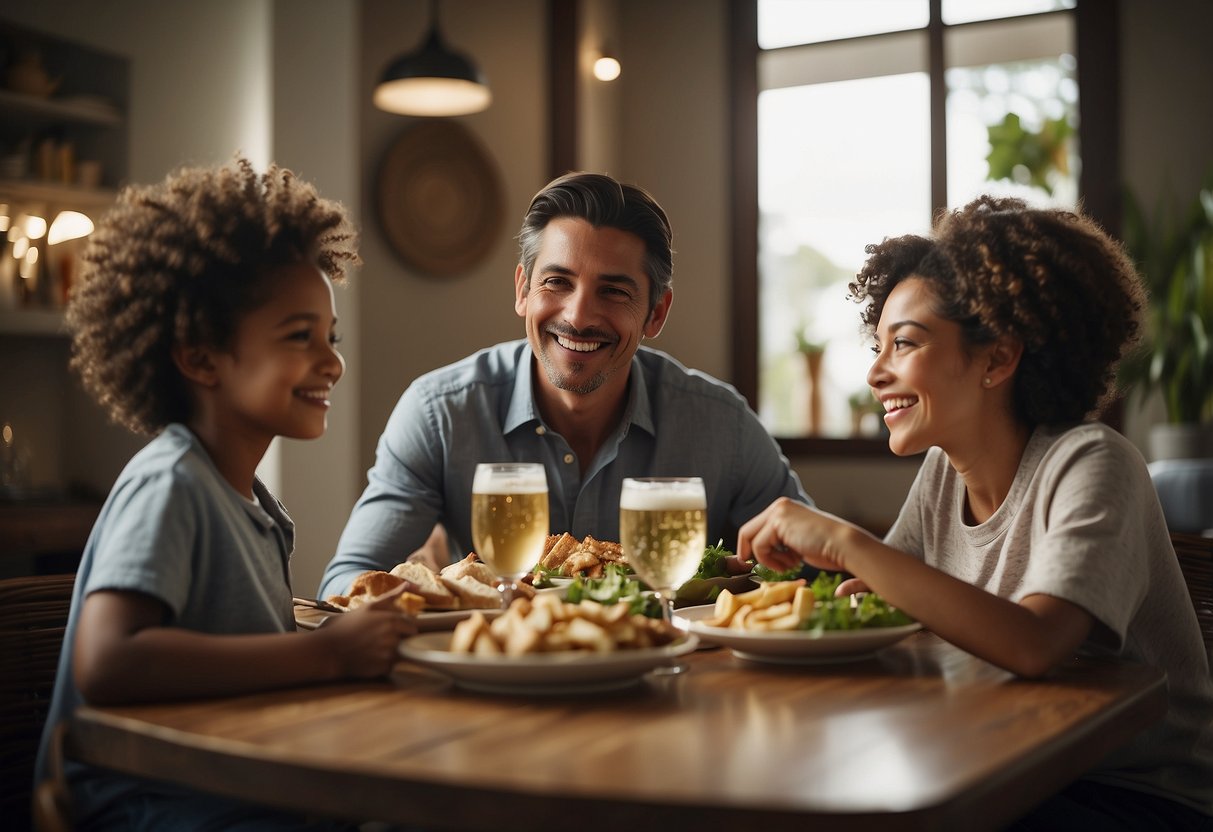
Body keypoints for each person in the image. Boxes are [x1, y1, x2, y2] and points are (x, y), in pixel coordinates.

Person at [738, 195, 1213, 828]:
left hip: (1134, 795)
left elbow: (1036, 642)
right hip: (1005, 757)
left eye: (903, 344)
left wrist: (850, 543)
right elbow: (890, 597)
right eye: (878, 346)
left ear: (998, 357)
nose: (876, 373)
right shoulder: (942, 473)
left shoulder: (1093, 463)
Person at [34, 158, 416, 830]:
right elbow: (109, 660)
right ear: (201, 356)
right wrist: (327, 652)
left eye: (331, 337)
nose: (332, 362)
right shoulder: (172, 482)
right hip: (149, 804)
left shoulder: (249, 503)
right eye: (300, 337)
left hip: (222, 786)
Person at [320, 171, 809, 597]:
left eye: (613, 291)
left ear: (656, 313)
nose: (578, 317)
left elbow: (815, 573)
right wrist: (424, 588)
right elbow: (347, 582)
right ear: (522, 290)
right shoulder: (439, 413)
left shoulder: (722, 424)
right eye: (557, 282)